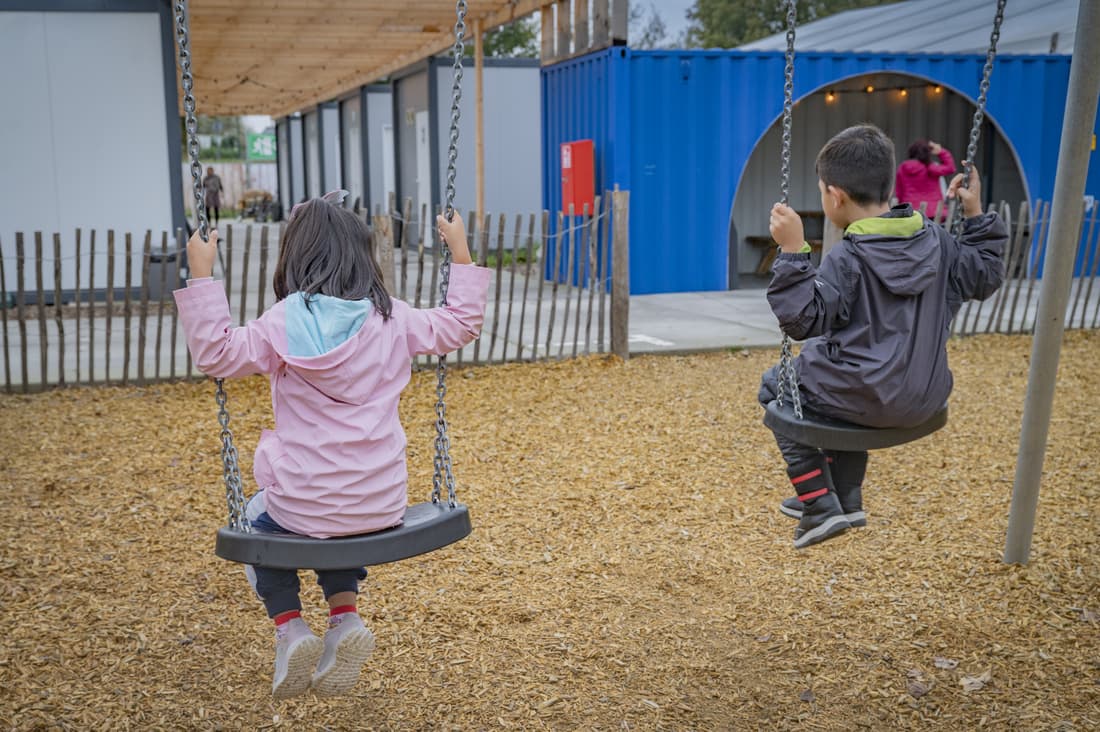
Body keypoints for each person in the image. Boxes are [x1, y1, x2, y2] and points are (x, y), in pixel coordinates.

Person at [173, 190, 490, 698]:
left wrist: (202, 274)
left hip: (305, 503)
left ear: (295, 257)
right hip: (379, 501)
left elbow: (217, 354)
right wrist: (460, 252)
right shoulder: (394, 318)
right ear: (362, 255)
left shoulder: (282, 323)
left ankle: (291, 628)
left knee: (262, 521)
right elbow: (461, 324)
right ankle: (344, 617)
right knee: (338, 518)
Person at [760, 124, 1006, 549]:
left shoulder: (848, 257)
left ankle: (819, 505)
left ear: (834, 196)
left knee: (778, 385)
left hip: (864, 398)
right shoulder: (939, 242)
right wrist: (975, 212)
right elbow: (985, 275)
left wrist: (793, 251)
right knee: (836, 370)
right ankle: (848, 498)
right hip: (925, 397)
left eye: (821, 191)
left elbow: (802, 321)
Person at [895, 139, 956, 221]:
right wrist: (941, 151)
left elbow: (899, 191)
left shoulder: (903, 168)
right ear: (927, 153)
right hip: (934, 213)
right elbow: (950, 168)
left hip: (911, 212)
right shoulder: (930, 168)